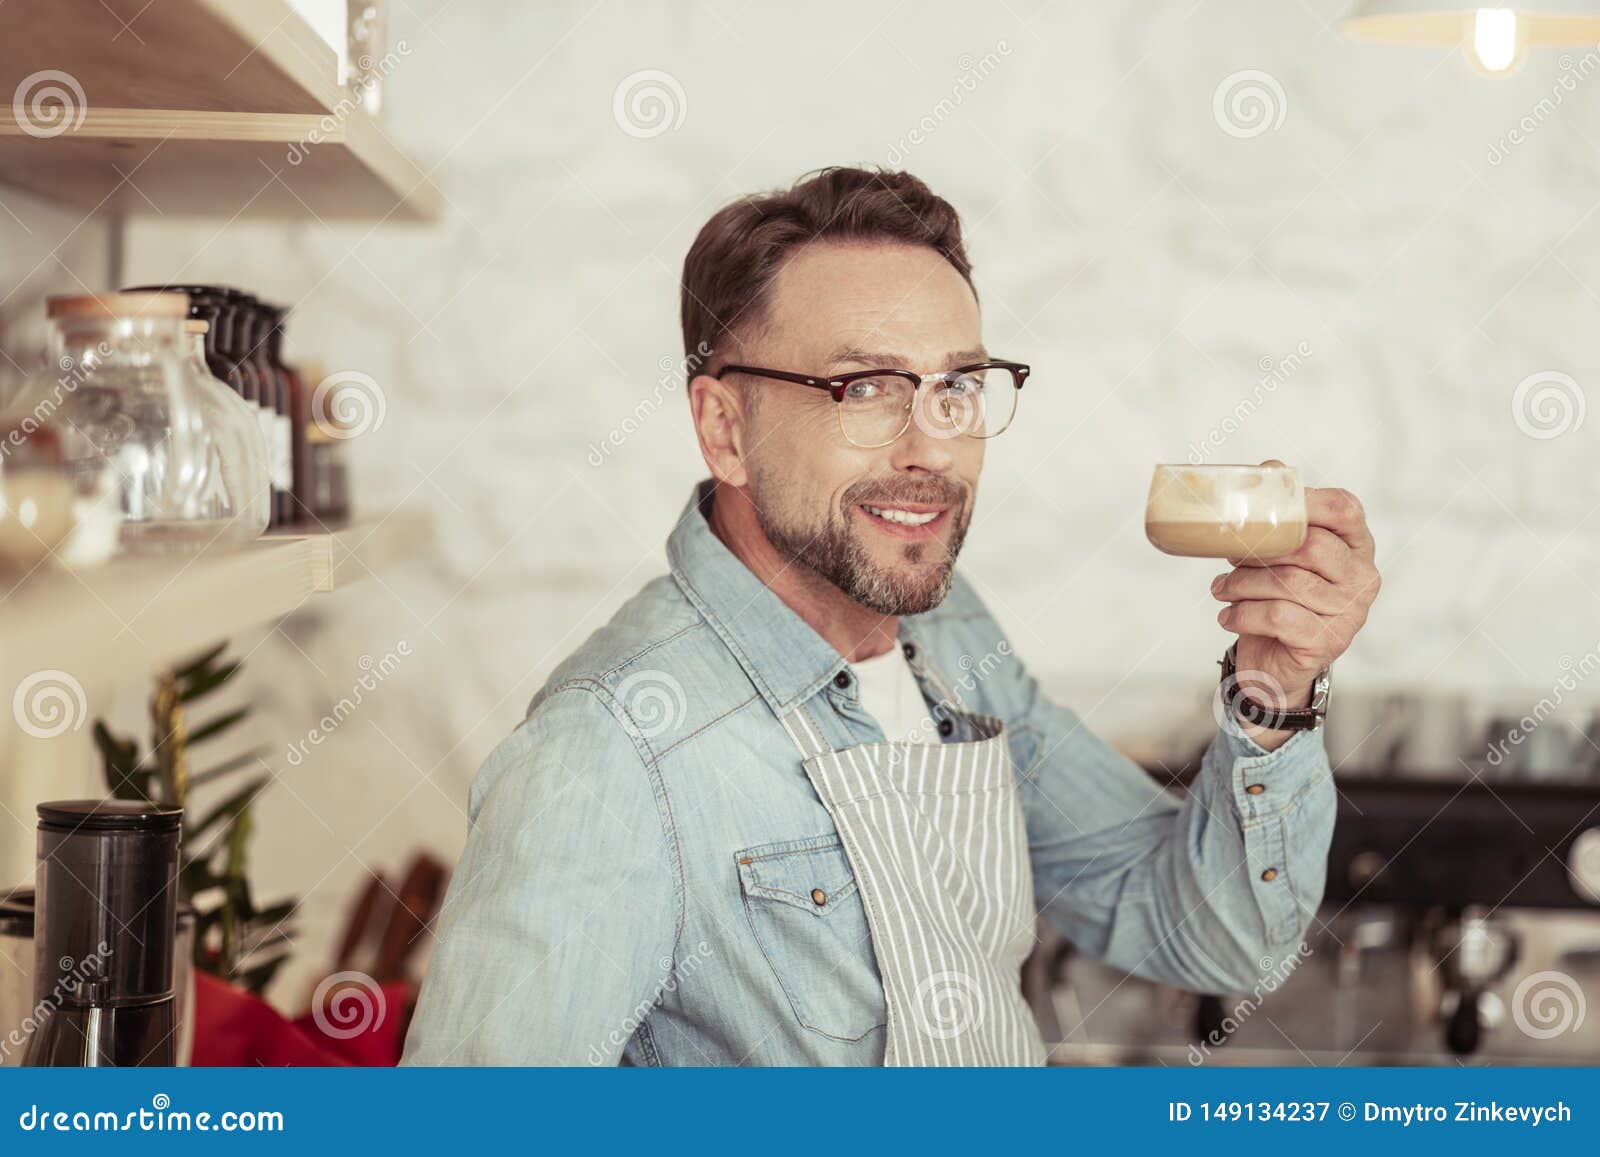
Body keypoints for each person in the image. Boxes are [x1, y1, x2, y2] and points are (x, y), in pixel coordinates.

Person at [403, 166, 1381, 1066]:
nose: (930, 445)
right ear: (724, 429)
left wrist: (1275, 684)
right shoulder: (606, 750)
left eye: (955, 385)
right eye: (863, 387)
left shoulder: (953, 643)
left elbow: (1210, 930)